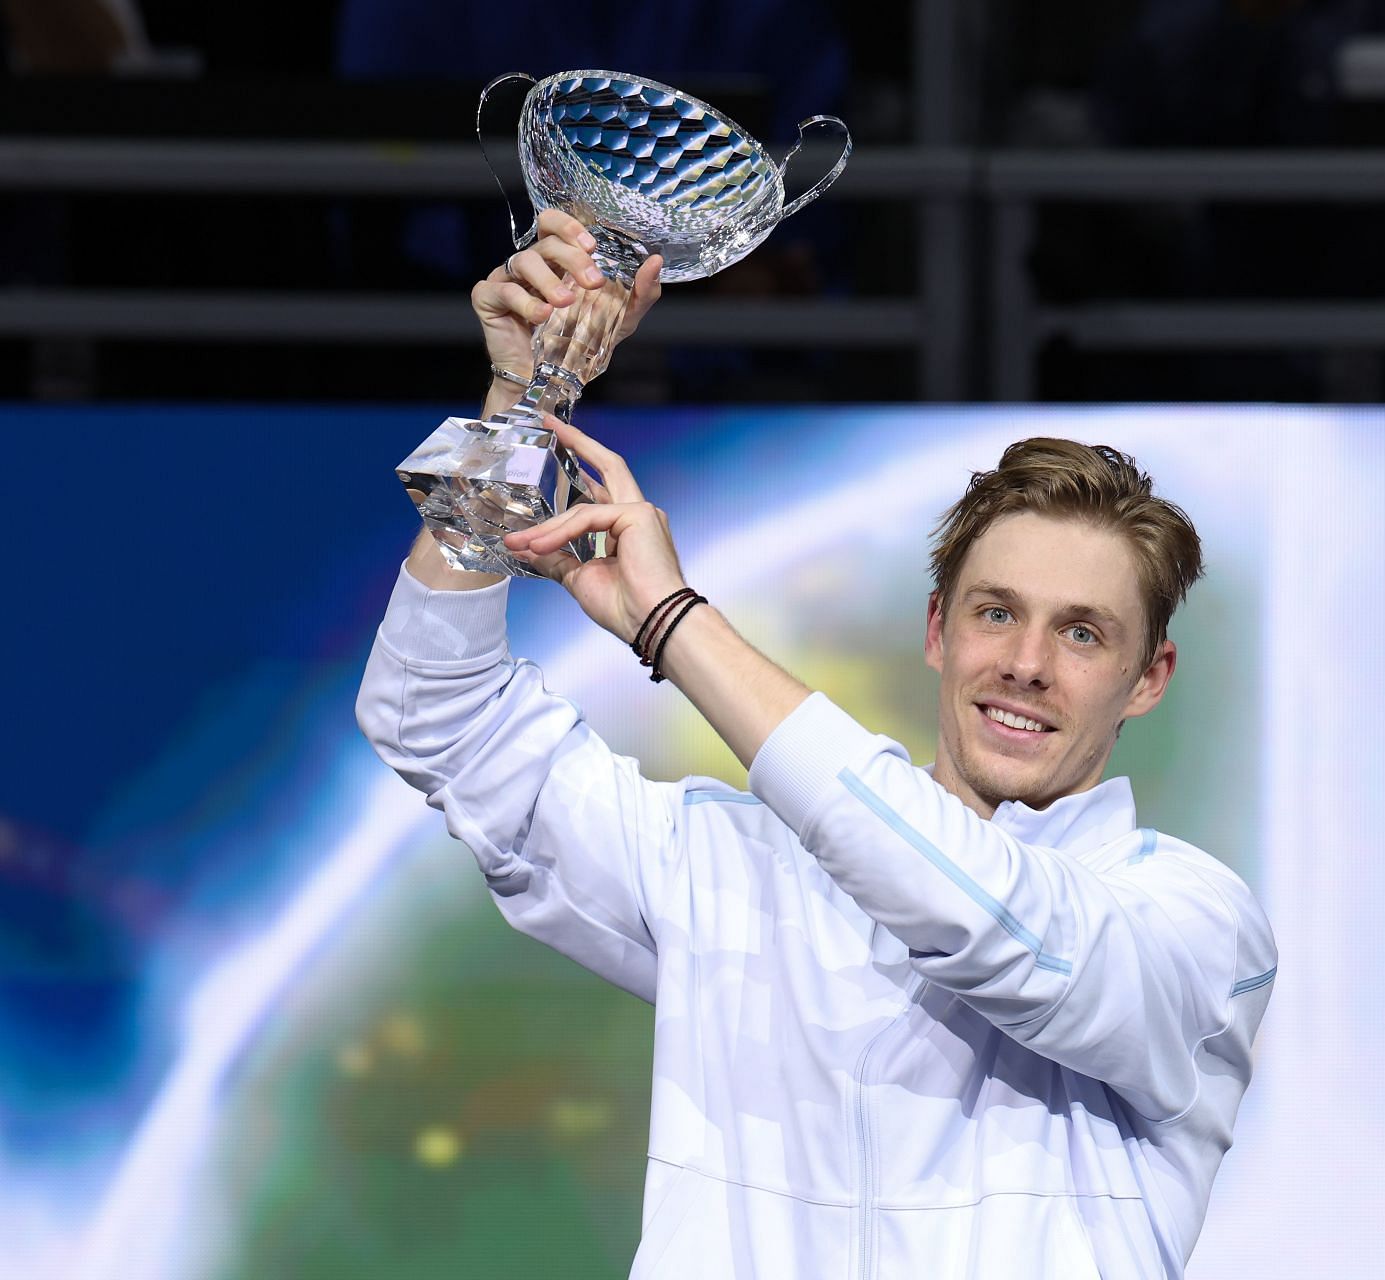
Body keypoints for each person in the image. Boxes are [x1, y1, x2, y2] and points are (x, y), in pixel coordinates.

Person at [355, 209, 1277, 1279]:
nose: (1026, 662)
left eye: (1083, 632)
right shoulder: (735, 869)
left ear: (1148, 678)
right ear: (936, 631)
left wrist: (675, 624)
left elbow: (988, 919)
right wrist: (523, 401)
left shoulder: (1196, 927)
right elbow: (434, 709)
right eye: (994, 612)